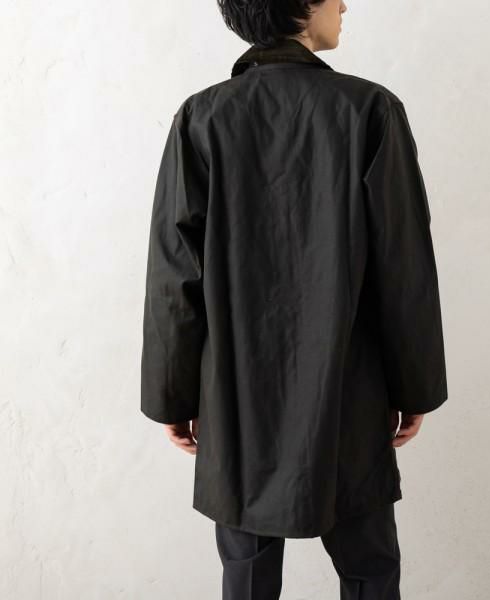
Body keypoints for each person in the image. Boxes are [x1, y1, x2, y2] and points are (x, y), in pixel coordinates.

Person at [140, 0, 448, 598]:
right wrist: (414, 387)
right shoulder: (369, 110)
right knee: (370, 570)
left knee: (247, 576)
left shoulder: (202, 117)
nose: (344, 4)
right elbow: (404, 266)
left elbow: (175, 274)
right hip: (349, 394)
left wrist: (172, 393)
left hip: (234, 402)